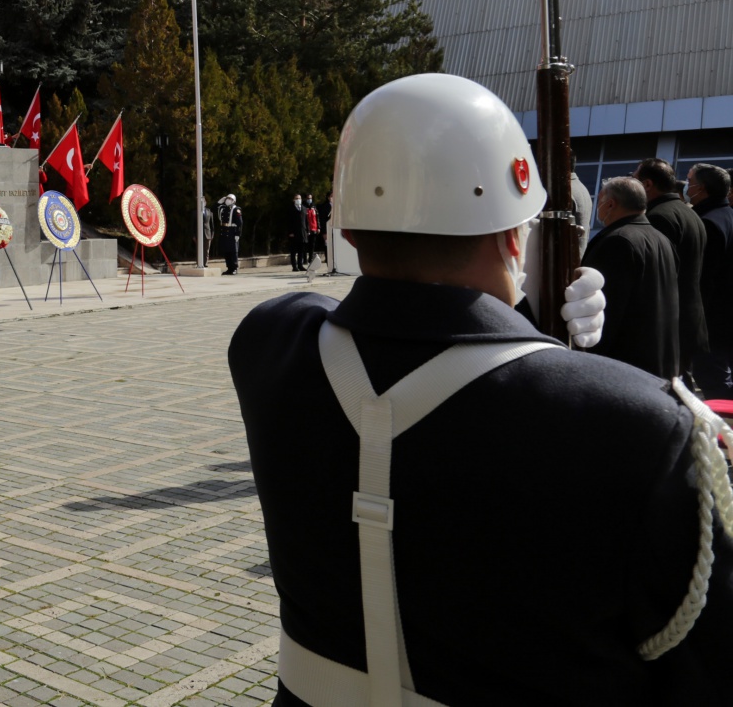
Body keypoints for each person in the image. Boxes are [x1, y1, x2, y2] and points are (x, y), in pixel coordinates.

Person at [233, 73, 733, 704]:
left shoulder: (267, 347)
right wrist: (541, 332)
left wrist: (523, 327)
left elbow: (387, 325)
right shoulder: (645, 428)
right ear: (511, 234)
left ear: (350, 231)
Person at [582, 175, 680, 378]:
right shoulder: (661, 239)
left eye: (599, 202)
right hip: (660, 357)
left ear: (610, 204)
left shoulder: (617, 241)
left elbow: (604, 309)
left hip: (626, 363)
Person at [636, 159, 708, 372]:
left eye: (634, 179)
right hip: (687, 318)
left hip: (668, 323)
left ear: (647, 184)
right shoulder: (688, 212)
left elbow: (656, 276)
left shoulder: (658, 217)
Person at [687, 163, 733, 398]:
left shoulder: (707, 223)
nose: (687, 187)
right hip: (724, 315)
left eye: (690, 182)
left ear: (701, 188)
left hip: (712, 319)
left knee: (714, 382)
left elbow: (704, 277)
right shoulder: (727, 216)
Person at [217, 195, 242, 275]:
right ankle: (229, 268)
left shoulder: (236, 209)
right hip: (224, 231)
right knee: (226, 251)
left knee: (233, 251)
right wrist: (218, 203)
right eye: (227, 198)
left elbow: (240, 223)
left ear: (234, 201)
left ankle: (234, 268)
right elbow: (213, 210)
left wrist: (238, 234)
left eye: (230, 199)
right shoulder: (223, 208)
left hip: (232, 232)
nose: (228, 200)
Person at [289, 194, 308, 271]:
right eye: (296, 198)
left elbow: (306, 221)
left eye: (299, 198)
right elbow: (288, 222)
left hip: (302, 232)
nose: (298, 200)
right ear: (294, 200)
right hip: (294, 233)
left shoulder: (304, 208)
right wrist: (290, 232)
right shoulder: (291, 209)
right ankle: (294, 266)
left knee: (301, 250)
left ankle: (300, 265)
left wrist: (307, 231)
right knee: (293, 250)